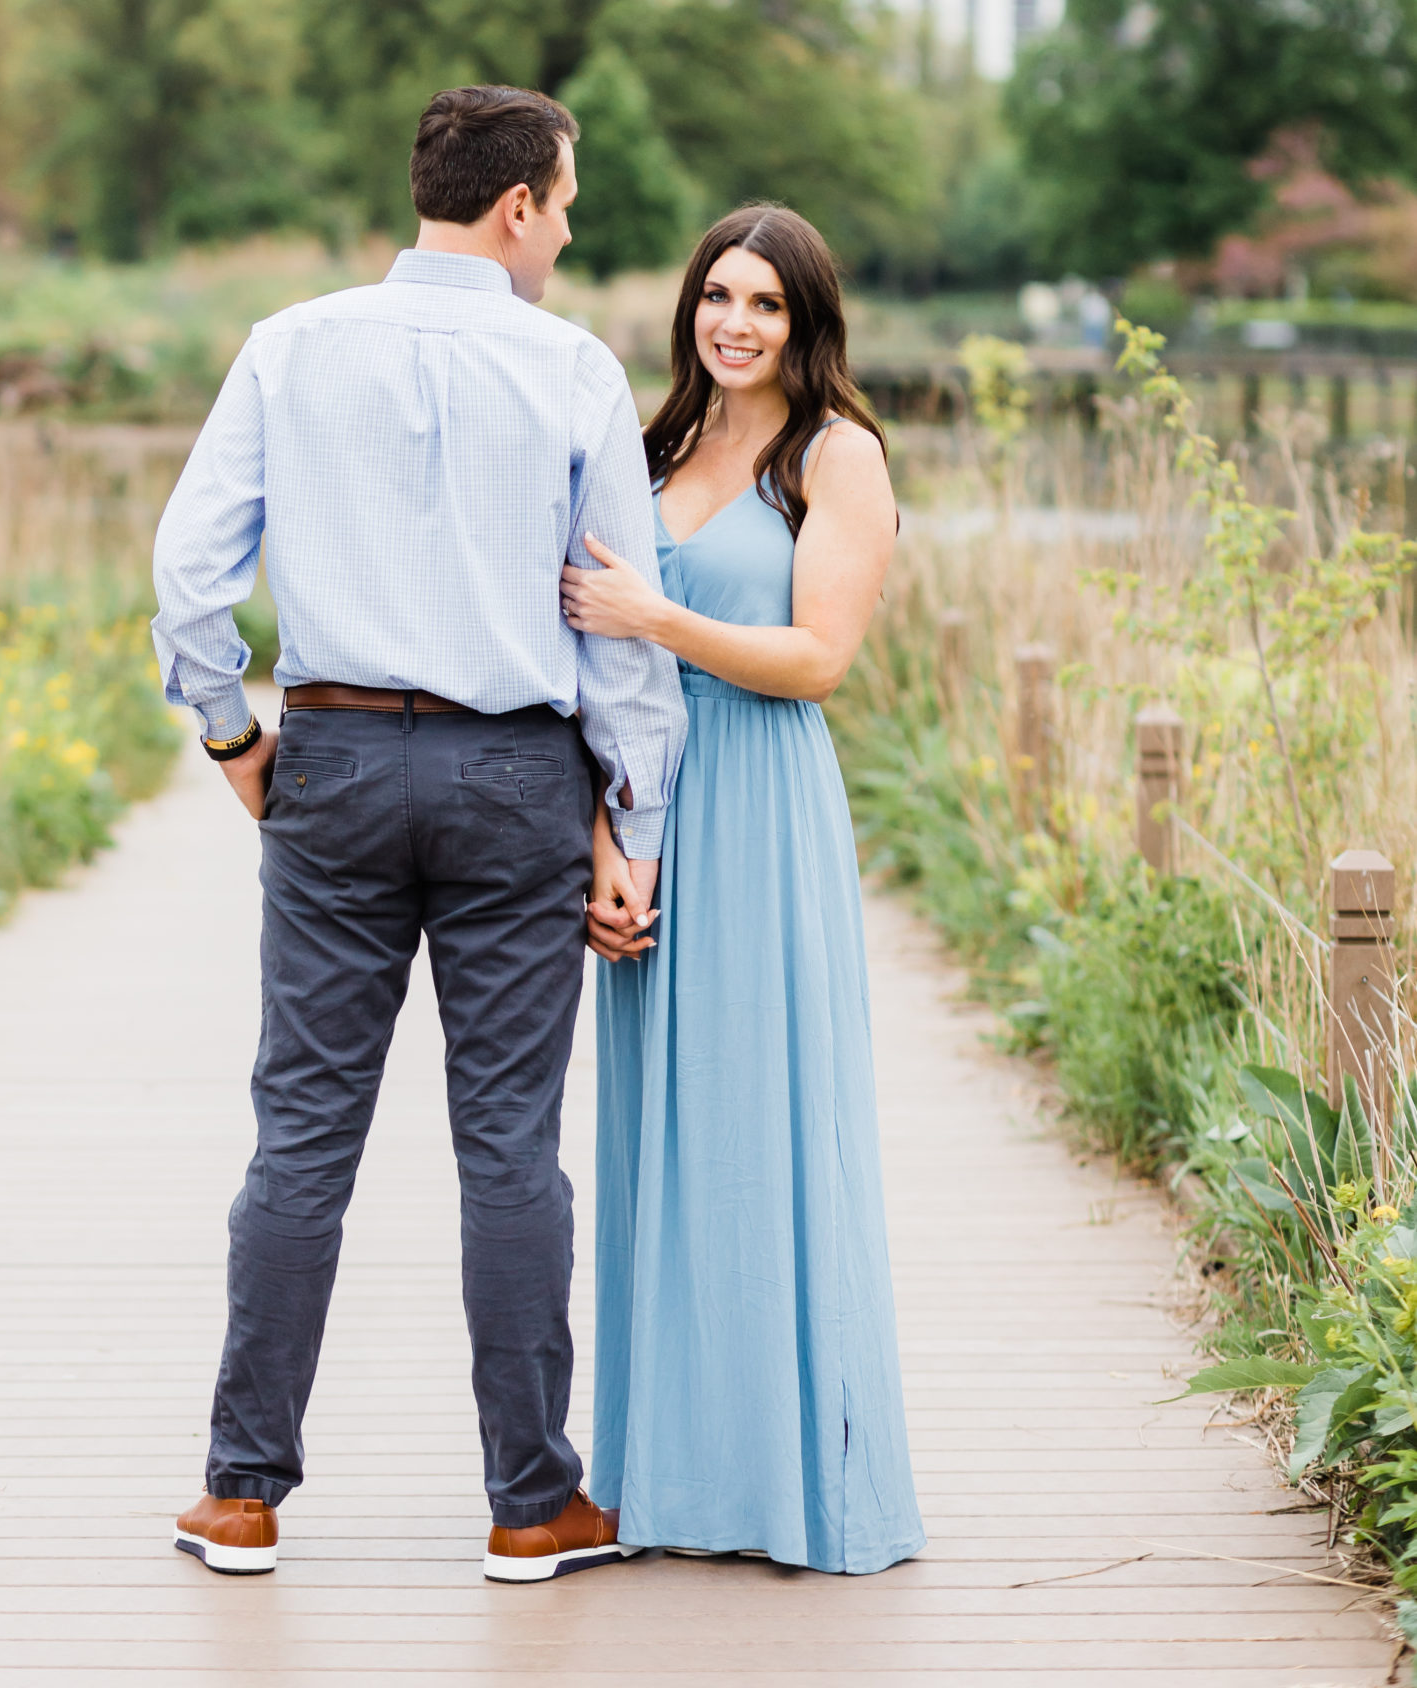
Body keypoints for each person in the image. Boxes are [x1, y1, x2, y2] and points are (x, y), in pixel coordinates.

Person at [150, 85, 687, 1584]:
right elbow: (622, 636)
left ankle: (242, 1493)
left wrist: (233, 734)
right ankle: (533, 1502)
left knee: (303, 1135)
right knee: (511, 1146)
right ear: (516, 206)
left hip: (325, 758)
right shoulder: (574, 371)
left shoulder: (289, 345)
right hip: (518, 778)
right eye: (565, 203)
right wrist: (630, 816)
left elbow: (188, 576)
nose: (568, 229)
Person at [563, 205, 925, 1574]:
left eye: (766, 303)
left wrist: (657, 616)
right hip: (650, 810)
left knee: (764, 1130)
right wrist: (604, 838)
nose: (735, 323)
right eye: (719, 296)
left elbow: (818, 656)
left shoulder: (838, 456)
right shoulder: (652, 447)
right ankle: (668, 1478)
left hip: (764, 803)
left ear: (807, 321)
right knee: (663, 1139)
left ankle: (790, 1483)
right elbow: (594, 669)